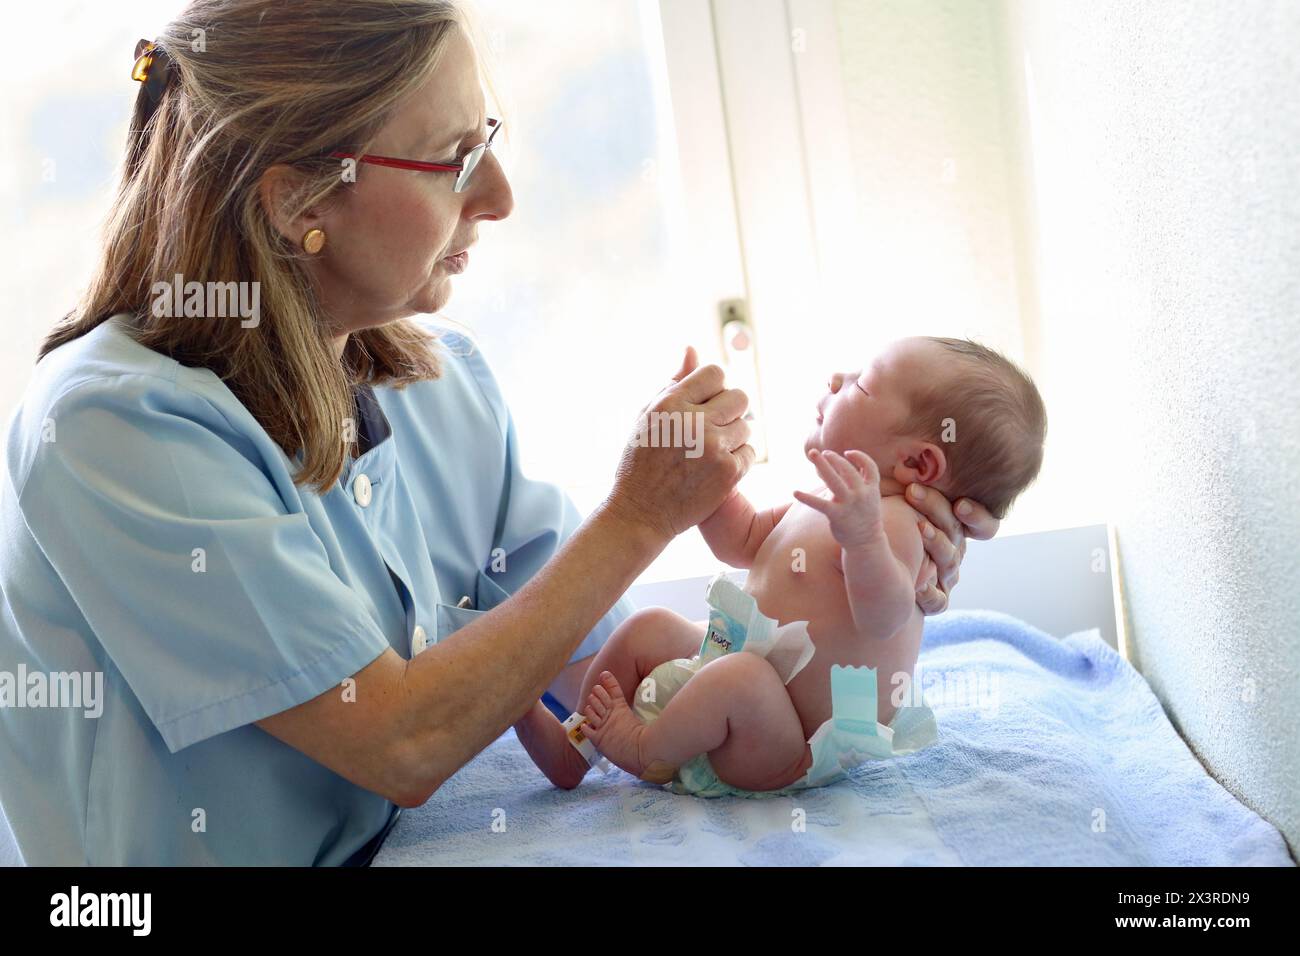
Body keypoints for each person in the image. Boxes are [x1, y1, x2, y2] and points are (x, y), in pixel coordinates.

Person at [0, 0, 998, 865]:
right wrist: (640, 514)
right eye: (456, 159)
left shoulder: (441, 383)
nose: (502, 195)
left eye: (489, 136)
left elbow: (595, 661)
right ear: (301, 198)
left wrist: (851, 608)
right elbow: (398, 741)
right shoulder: (110, 427)